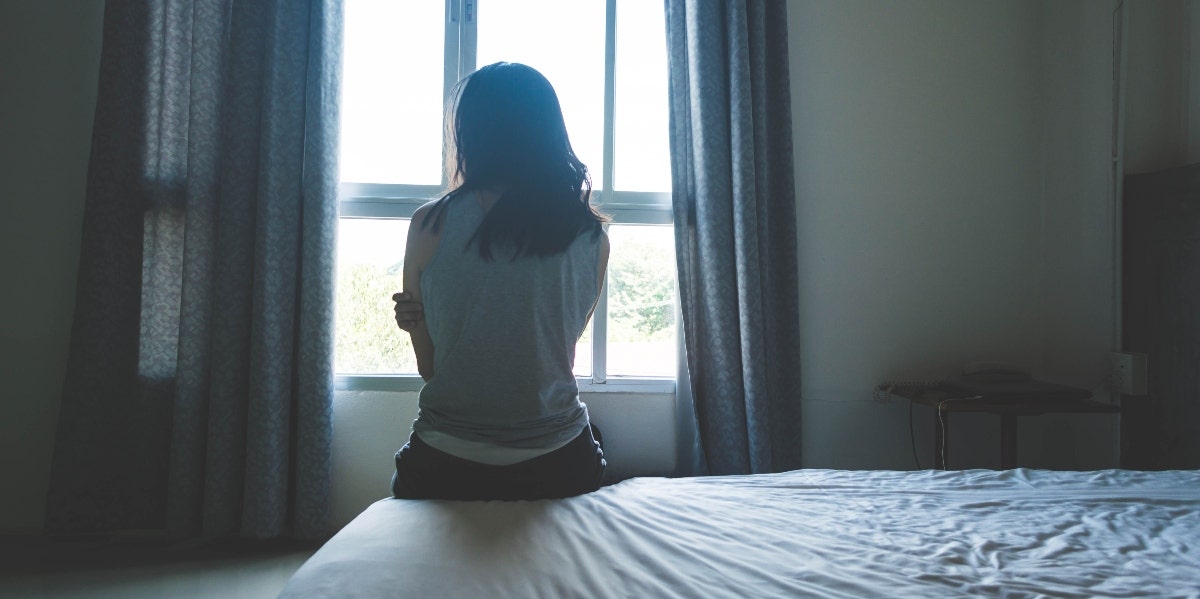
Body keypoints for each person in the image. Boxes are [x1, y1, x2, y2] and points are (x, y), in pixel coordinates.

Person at [389, 62, 610, 501]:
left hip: (445, 463)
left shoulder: (429, 224)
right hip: (558, 463)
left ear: (469, 133)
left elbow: (432, 371)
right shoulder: (590, 235)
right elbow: (552, 354)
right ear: (550, 131)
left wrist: (417, 322)